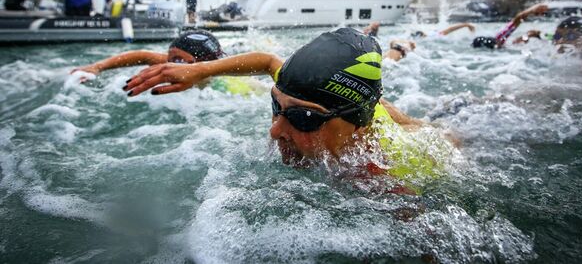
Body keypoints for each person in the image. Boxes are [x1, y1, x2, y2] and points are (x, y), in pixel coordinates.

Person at [123, 28, 457, 194]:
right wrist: (201, 70)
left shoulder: (377, 177)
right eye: (275, 106)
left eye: (303, 118)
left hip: (430, 134)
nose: (274, 130)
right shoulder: (308, 91)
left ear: (355, 127)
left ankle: (402, 48)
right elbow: (269, 62)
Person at [71, 29, 264, 95]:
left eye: (178, 61)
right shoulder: (172, 65)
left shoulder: (232, 84)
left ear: (202, 63)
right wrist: (98, 67)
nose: (169, 66)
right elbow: (142, 55)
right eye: (169, 58)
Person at [471, 4, 548, 49]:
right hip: (505, 45)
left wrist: (532, 10)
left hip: (499, 42)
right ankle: (531, 35)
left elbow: (517, 20)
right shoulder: (500, 45)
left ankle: (531, 34)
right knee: (515, 42)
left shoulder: (499, 39)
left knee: (516, 40)